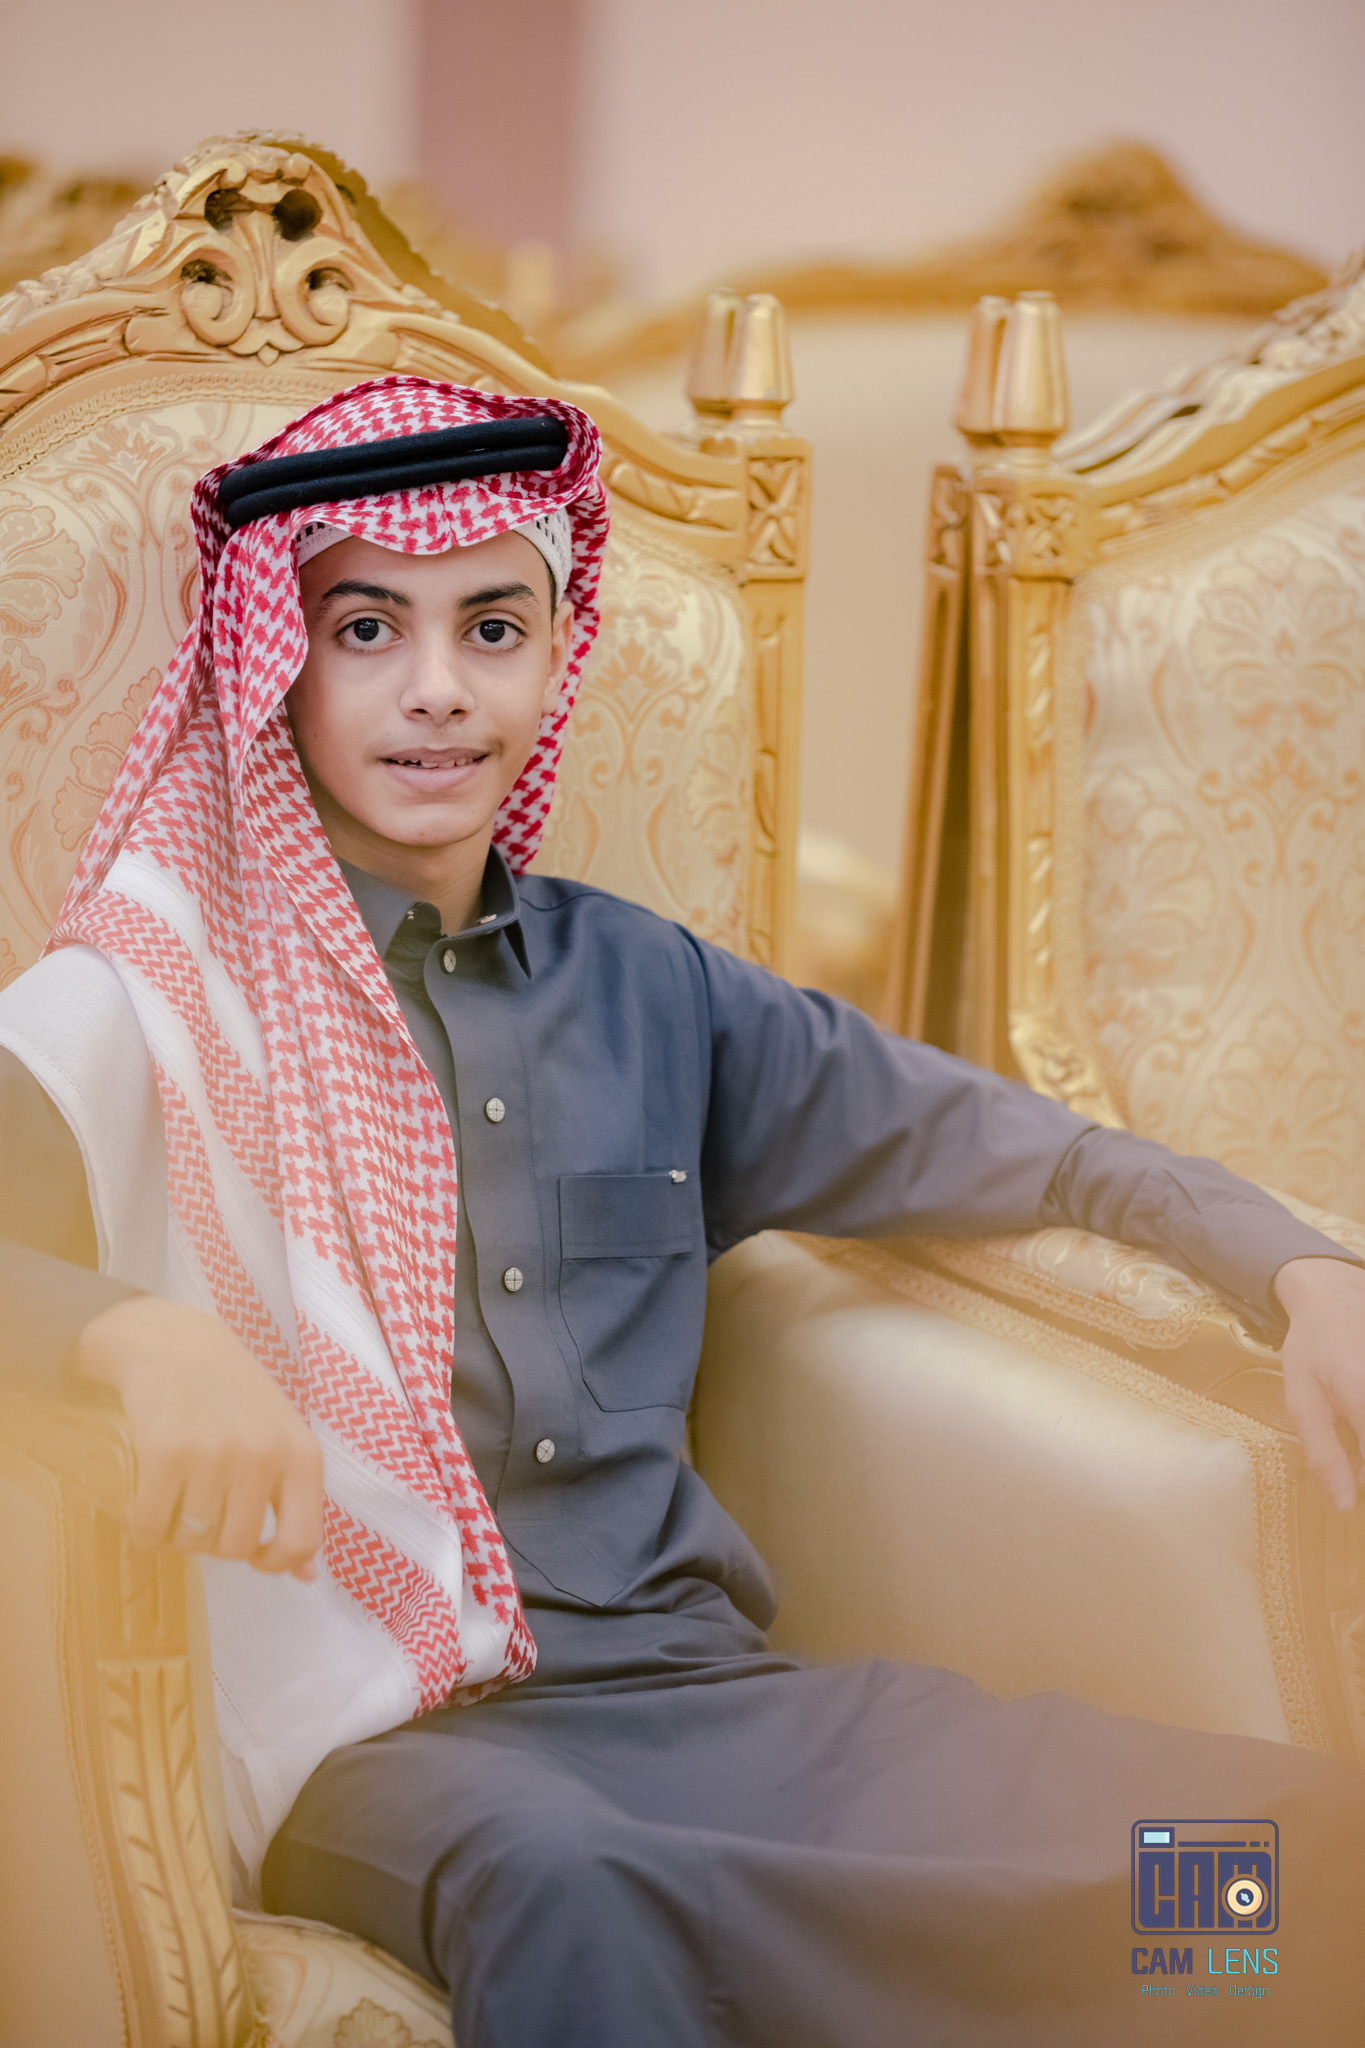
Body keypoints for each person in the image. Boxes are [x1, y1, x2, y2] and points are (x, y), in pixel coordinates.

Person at [2, 374, 1365, 2048]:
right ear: (273, 662)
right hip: (391, 1745)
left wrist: (1301, 1269)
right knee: (581, 1894)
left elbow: (1037, 1153)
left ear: (554, 653)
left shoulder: (654, 990)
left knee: (1281, 1865)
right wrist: (131, 1334)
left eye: (491, 628)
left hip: (700, 1691)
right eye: (366, 630)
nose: (438, 689)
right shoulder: (157, 1000)